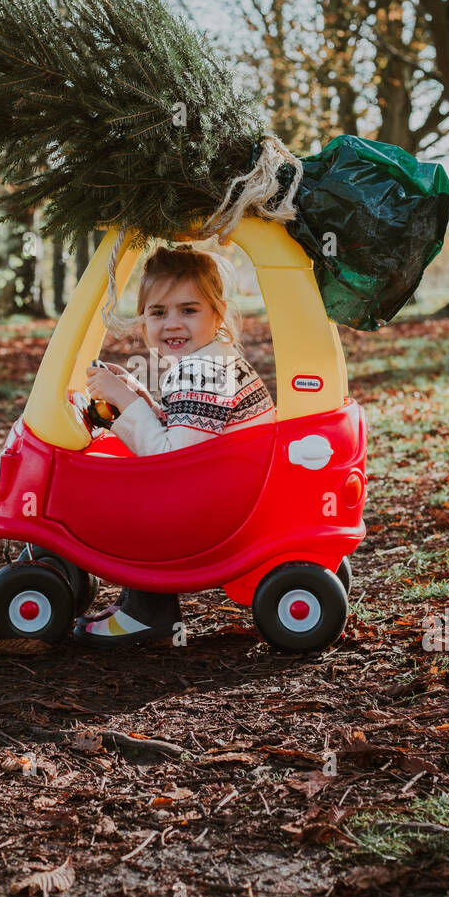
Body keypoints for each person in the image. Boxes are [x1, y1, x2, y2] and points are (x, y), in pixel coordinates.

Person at [72, 244, 276, 648]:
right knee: (135, 483)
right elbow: (185, 431)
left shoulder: (202, 371)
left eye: (188, 310)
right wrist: (136, 395)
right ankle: (137, 600)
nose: (172, 325)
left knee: (125, 494)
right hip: (231, 490)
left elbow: (173, 461)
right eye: (158, 312)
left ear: (217, 313)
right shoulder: (211, 361)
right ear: (144, 318)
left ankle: (149, 614)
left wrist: (127, 403)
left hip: (220, 513)